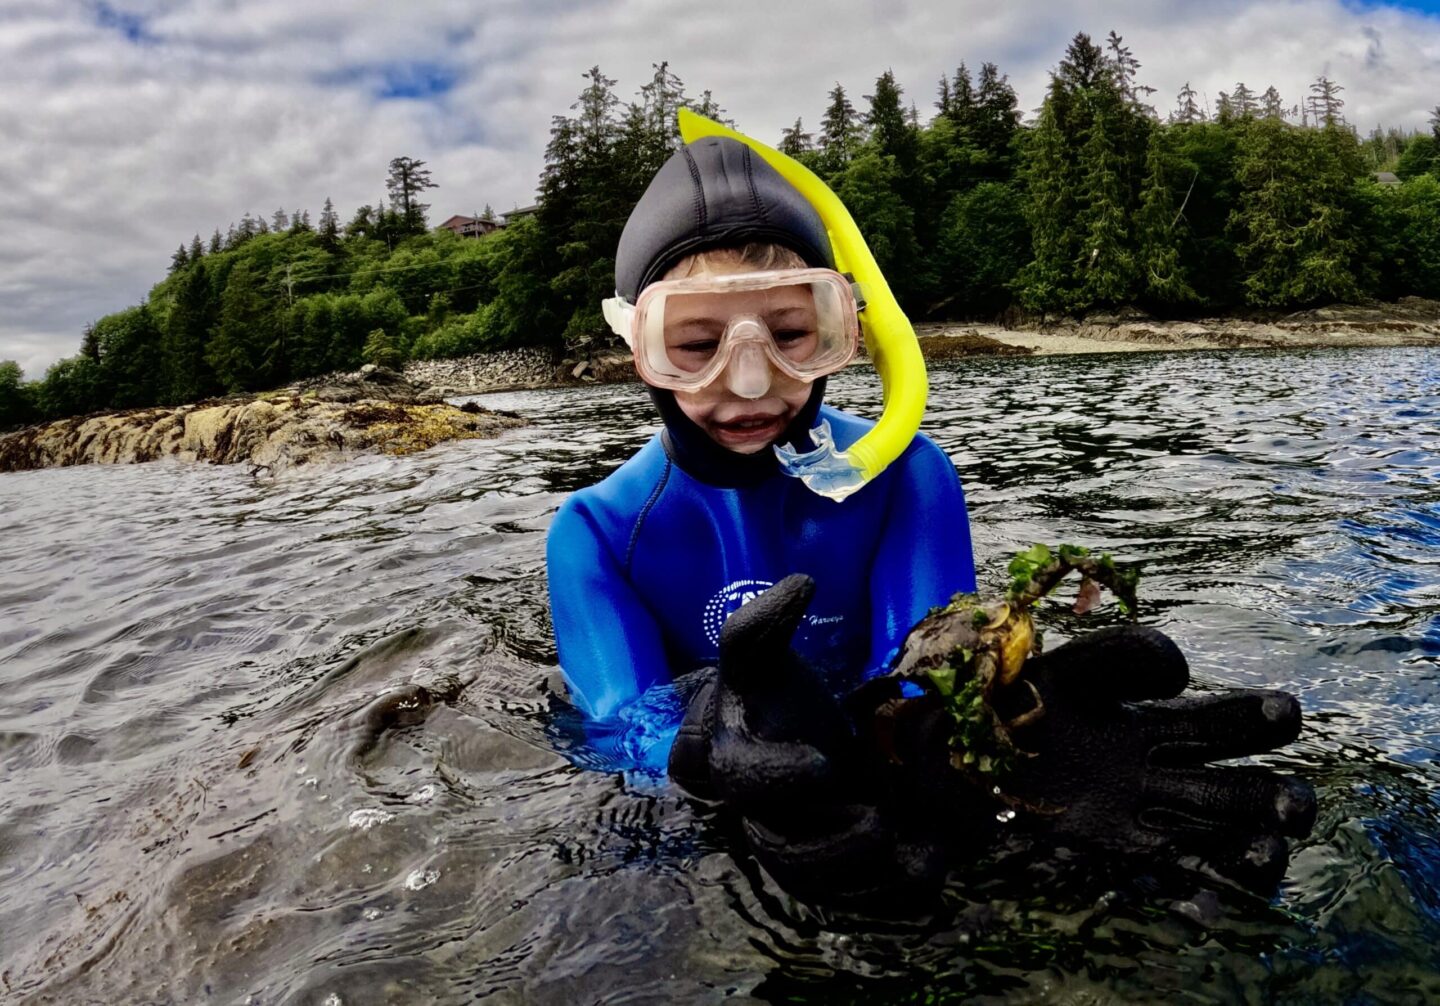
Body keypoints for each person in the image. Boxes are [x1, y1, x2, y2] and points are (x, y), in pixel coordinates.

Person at [547, 120, 1314, 909]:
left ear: (847, 329)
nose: (749, 383)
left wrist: (990, 751)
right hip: (736, 799)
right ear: (637, 343)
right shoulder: (595, 534)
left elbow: (920, 678)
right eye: (696, 344)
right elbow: (618, 734)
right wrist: (709, 750)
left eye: (791, 335)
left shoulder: (911, 474)